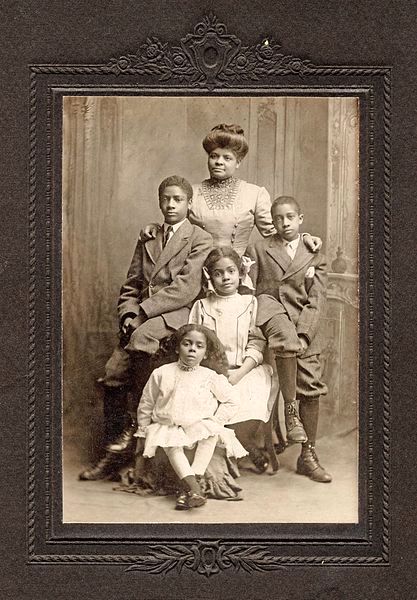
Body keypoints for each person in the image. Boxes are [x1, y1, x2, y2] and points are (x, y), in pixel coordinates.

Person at [79, 175, 213, 481]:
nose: (171, 205)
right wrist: (128, 312)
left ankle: (135, 426)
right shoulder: (149, 237)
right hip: (141, 317)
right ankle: (115, 449)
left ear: (189, 204)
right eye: (165, 199)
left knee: (141, 339)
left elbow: (185, 288)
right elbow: (132, 283)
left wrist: (142, 312)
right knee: (112, 372)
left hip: (175, 314)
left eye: (178, 199)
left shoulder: (199, 238)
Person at [247, 196, 332, 483]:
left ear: (300, 219)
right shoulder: (259, 248)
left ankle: (308, 453)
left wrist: (305, 334)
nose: (284, 223)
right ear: (271, 222)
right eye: (278, 218)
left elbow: (316, 300)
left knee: (310, 386)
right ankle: (259, 445)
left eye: (290, 217)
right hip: (271, 325)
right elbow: (252, 290)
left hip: (304, 327)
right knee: (261, 383)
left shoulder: (314, 251)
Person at [142, 123, 322, 256]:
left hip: (236, 273)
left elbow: (277, 233)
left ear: (238, 162)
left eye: (227, 158)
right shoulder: (191, 193)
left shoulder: (254, 194)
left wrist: (304, 237)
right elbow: (174, 230)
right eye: (214, 156)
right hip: (193, 270)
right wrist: (156, 228)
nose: (219, 162)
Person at [134, 324, 247, 510]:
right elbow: (147, 403)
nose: (192, 349)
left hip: (198, 426)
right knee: (172, 445)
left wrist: (216, 421)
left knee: (211, 434)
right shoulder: (161, 373)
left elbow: (232, 400)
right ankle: (194, 488)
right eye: (187, 343)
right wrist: (143, 430)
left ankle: (188, 488)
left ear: (206, 353)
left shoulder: (210, 376)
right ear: (178, 347)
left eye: (199, 346)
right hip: (170, 426)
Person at [188, 246, 274, 472]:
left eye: (231, 271)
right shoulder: (202, 306)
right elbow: (196, 341)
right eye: (218, 273)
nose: (225, 277)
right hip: (211, 371)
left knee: (248, 396)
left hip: (245, 369)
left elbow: (257, 341)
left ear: (240, 274)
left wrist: (239, 372)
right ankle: (235, 451)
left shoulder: (250, 304)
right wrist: (213, 372)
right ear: (210, 276)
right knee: (205, 400)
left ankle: (242, 443)